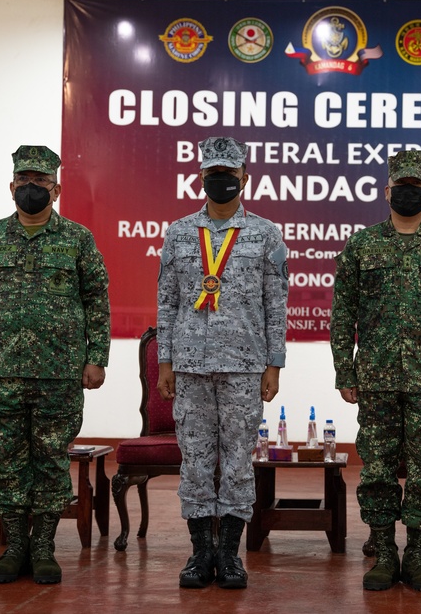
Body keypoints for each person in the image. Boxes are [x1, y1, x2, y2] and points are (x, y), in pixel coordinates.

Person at [0, 144, 110, 585]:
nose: (31, 188)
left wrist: (96, 357)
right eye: (23, 181)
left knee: (49, 459)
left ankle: (44, 547)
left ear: (57, 188)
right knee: (6, 459)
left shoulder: (78, 239)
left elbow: (96, 300)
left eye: (40, 182)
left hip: (59, 370)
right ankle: (15, 548)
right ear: (11, 188)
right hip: (1, 368)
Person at [330, 150, 421, 593]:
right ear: (387, 190)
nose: (409, 193)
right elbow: (343, 316)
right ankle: (383, 551)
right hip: (375, 378)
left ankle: (416, 554)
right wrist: (345, 372)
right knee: (375, 467)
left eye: (418, 187)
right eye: (402, 186)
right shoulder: (362, 245)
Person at [157, 136, 289, 590]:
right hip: (190, 363)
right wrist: (165, 362)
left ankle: (230, 555)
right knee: (195, 459)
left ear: (244, 178)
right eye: (212, 174)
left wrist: (274, 364)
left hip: (244, 365)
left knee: (237, 461)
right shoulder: (178, 232)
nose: (220, 181)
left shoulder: (266, 234)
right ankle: (200, 554)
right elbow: (168, 302)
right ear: (200, 178)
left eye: (228, 175)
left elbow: (276, 304)